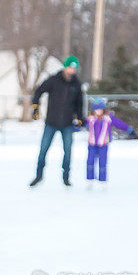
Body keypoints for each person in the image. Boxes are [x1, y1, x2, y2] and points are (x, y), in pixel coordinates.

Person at [29, 55, 84, 187]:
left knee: (68, 152)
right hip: (51, 122)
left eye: (74, 68)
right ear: (65, 67)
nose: (71, 70)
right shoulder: (54, 80)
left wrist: (80, 118)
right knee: (43, 150)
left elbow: (79, 103)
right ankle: (39, 176)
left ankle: (66, 178)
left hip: (67, 124)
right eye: (70, 67)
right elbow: (39, 91)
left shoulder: (76, 84)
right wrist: (35, 107)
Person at [84, 97, 136, 188]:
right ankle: (90, 179)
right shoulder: (90, 118)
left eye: (100, 109)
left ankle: (103, 181)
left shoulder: (108, 118)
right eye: (96, 110)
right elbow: (81, 124)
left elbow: (120, 123)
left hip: (103, 144)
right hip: (92, 144)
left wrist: (129, 130)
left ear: (103, 110)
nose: (98, 112)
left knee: (102, 162)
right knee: (90, 161)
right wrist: (75, 125)